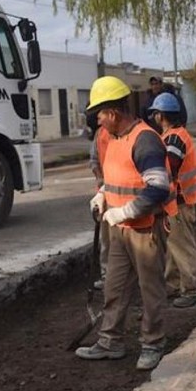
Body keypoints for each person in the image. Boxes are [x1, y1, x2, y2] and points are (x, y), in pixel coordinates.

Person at [77, 76, 176, 371]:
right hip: (121, 230)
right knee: (115, 287)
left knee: (151, 289)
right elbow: (119, 177)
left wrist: (123, 212)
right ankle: (110, 342)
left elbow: (158, 188)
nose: (98, 122)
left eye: (100, 115)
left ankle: (153, 343)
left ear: (113, 113)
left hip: (145, 229)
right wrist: (103, 194)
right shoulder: (115, 139)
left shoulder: (144, 139)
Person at [147, 92, 196, 308]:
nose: (153, 117)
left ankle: (191, 289)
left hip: (180, 202)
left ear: (161, 115)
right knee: (174, 247)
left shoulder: (174, 138)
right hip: (176, 203)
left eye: (155, 113)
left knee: (182, 246)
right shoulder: (173, 136)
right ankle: (172, 285)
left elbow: (169, 168)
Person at [87, 111, 112, 290]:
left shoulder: (124, 133)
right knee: (106, 240)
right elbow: (94, 160)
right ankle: (107, 276)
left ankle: (129, 277)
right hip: (105, 194)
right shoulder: (100, 134)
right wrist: (99, 177)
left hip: (123, 195)